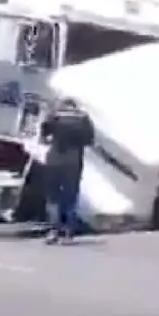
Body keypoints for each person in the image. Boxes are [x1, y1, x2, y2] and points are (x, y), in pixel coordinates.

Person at [39, 98, 95, 245]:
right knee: (70, 197)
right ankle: (68, 233)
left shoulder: (54, 116)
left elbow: (44, 135)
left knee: (52, 198)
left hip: (54, 161)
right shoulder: (83, 119)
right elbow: (89, 140)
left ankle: (53, 231)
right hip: (73, 162)